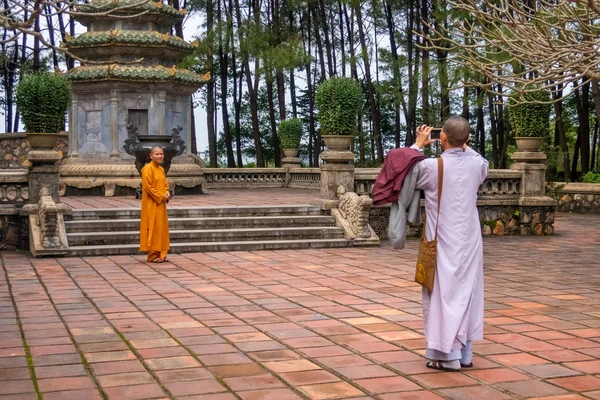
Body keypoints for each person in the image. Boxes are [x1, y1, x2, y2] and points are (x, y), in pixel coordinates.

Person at [411, 115, 489, 372]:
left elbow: (404, 170)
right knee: (467, 293)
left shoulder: (431, 167)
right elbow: (481, 160)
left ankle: (448, 356)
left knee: (444, 295)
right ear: (467, 140)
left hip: (442, 237)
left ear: (441, 136)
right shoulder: (476, 165)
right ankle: (465, 354)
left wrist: (418, 145)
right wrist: (462, 142)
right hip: (469, 237)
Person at [140, 146, 171, 263]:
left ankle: (162, 254)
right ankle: (153, 254)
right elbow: (148, 187)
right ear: (151, 156)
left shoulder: (161, 169)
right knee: (153, 227)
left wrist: (167, 192)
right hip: (151, 203)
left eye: (161, 154)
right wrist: (161, 196)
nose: (160, 156)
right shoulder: (147, 169)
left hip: (161, 203)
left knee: (161, 228)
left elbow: (165, 184)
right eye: (157, 154)